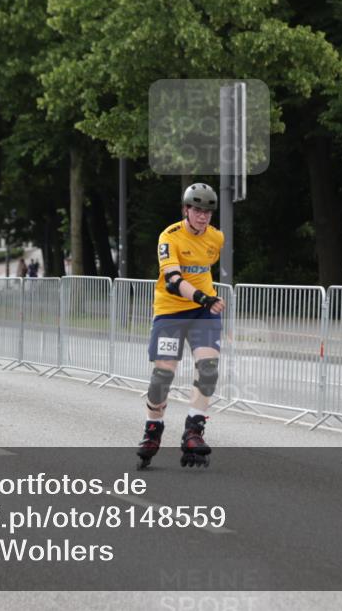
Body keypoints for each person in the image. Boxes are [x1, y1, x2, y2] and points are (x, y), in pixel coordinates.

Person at [137, 183, 225, 469]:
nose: (203, 216)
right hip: (171, 312)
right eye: (197, 210)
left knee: (209, 369)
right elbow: (174, 282)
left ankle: (193, 430)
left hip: (203, 312)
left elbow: (205, 269)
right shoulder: (169, 237)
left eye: (208, 211)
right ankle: (153, 428)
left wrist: (204, 301)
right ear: (186, 210)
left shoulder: (216, 238)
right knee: (163, 375)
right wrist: (203, 297)